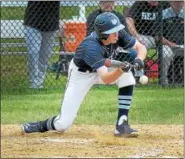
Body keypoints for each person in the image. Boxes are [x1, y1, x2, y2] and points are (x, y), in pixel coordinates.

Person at [21, 12, 147, 137]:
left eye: (117, 30)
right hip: (81, 76)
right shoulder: (91, 47)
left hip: (101, 68)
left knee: (127, 77)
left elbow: (141, 48)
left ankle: (122, 125)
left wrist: (139, 59)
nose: (117, 33)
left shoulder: (118, 35)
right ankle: (38, 126)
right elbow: (106, 79)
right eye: (113, 31)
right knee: (63, 124)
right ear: (103, 34)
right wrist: (120, 70)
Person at [24, 1, 60, 88]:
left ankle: (39, 82)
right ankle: (33, 82)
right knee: (33, 52)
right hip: (33, 20)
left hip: (51, 22)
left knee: (45, 55)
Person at [162, 1, 184, 85]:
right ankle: (164, 82)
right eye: (176, 2)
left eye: (181, 2)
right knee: (165, 54)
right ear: (171, 2)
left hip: (183, 45)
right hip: (167, 45)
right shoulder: (163, 14)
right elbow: (158, 35)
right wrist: (168, 43)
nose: (179, 4)